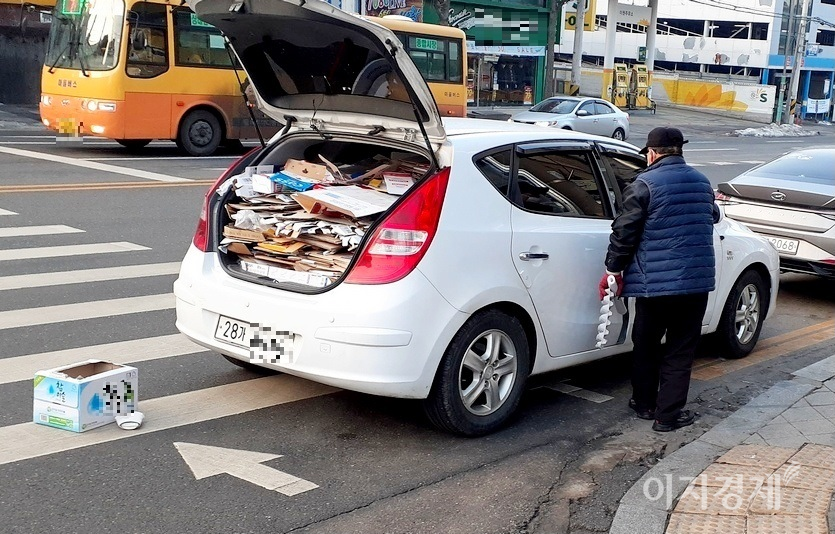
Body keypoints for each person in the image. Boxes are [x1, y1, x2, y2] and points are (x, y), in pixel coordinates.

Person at [599, 127, 719, 433]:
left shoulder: (644, 184)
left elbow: (624, 231)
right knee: (680, 350)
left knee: (646, 344)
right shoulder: (702, 182)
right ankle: (667, 417)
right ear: (680, 150)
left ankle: (644, 403)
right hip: (694, 284)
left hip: (654, 284)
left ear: (651, 153)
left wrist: (613, 269)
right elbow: (714, 215)